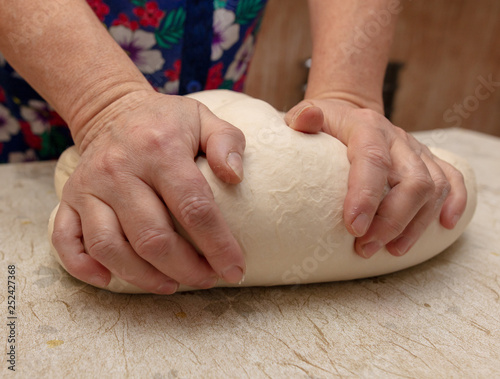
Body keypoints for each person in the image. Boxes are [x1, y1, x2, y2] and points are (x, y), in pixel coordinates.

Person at [0, 0, 467, 294]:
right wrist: (105, 104)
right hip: (38, 98)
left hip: (218, 112)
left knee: (212, 177)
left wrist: (347, 94)